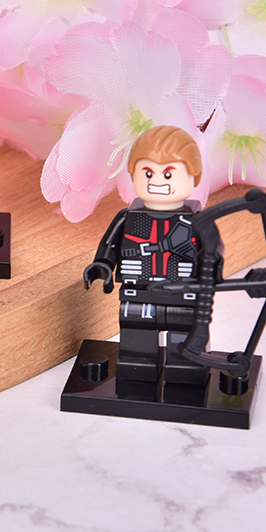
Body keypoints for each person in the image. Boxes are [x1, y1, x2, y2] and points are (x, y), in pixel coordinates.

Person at [84, 125, 210, 384]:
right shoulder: (128, 217)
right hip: (137, 290)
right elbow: (110, 245)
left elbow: (213, 250)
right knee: (136, 336)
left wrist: (211, 271)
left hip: (183, 292)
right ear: (134, 174)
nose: (157, 182)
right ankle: (136, 369)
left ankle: (185, 372)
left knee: (184, 338)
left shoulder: (196, 221)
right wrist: (102, 264)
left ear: (193, 177)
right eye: (148, 172)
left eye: (168, 174)